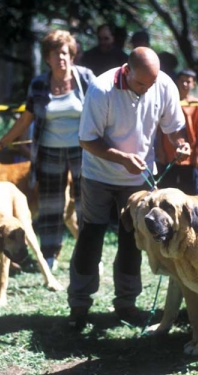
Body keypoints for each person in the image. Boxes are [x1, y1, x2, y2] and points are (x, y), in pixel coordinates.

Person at [68, 47, 190, 330]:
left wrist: (179, 144)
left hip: (139, 180)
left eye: (152, 83)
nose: (147, 89)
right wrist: (122, 158)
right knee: (91, 235)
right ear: (127, 70)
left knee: (133, 240)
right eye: (140, 84)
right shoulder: (101, 89)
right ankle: (79, 304)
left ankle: (126, 303)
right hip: (98, 175)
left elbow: (174, 127)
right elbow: (87, 140)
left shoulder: (162, 84)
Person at [0, 30, 95, 269]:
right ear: (48, 58)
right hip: (49, 152)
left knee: (87, 204)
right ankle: (49, 256)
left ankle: (90, 253)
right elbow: (25, 120)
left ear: (72, 54)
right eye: (55, 54)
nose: (61, 58)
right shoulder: (39, 84)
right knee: (50, 207)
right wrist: (2, 142)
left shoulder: (86, 79)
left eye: (65, 53)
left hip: (84, 151)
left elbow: (102, 112)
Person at [156, 69, 198, 195]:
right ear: (176, 82)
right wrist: (159, 150)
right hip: (169, 155)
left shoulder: (197, 105)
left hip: (189, 156)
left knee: (191, 192)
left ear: (193, 84)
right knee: (166, 191)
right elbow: (159, 130)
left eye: (188, 81)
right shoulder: (168, 102)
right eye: (182, 81)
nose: (184, 84)